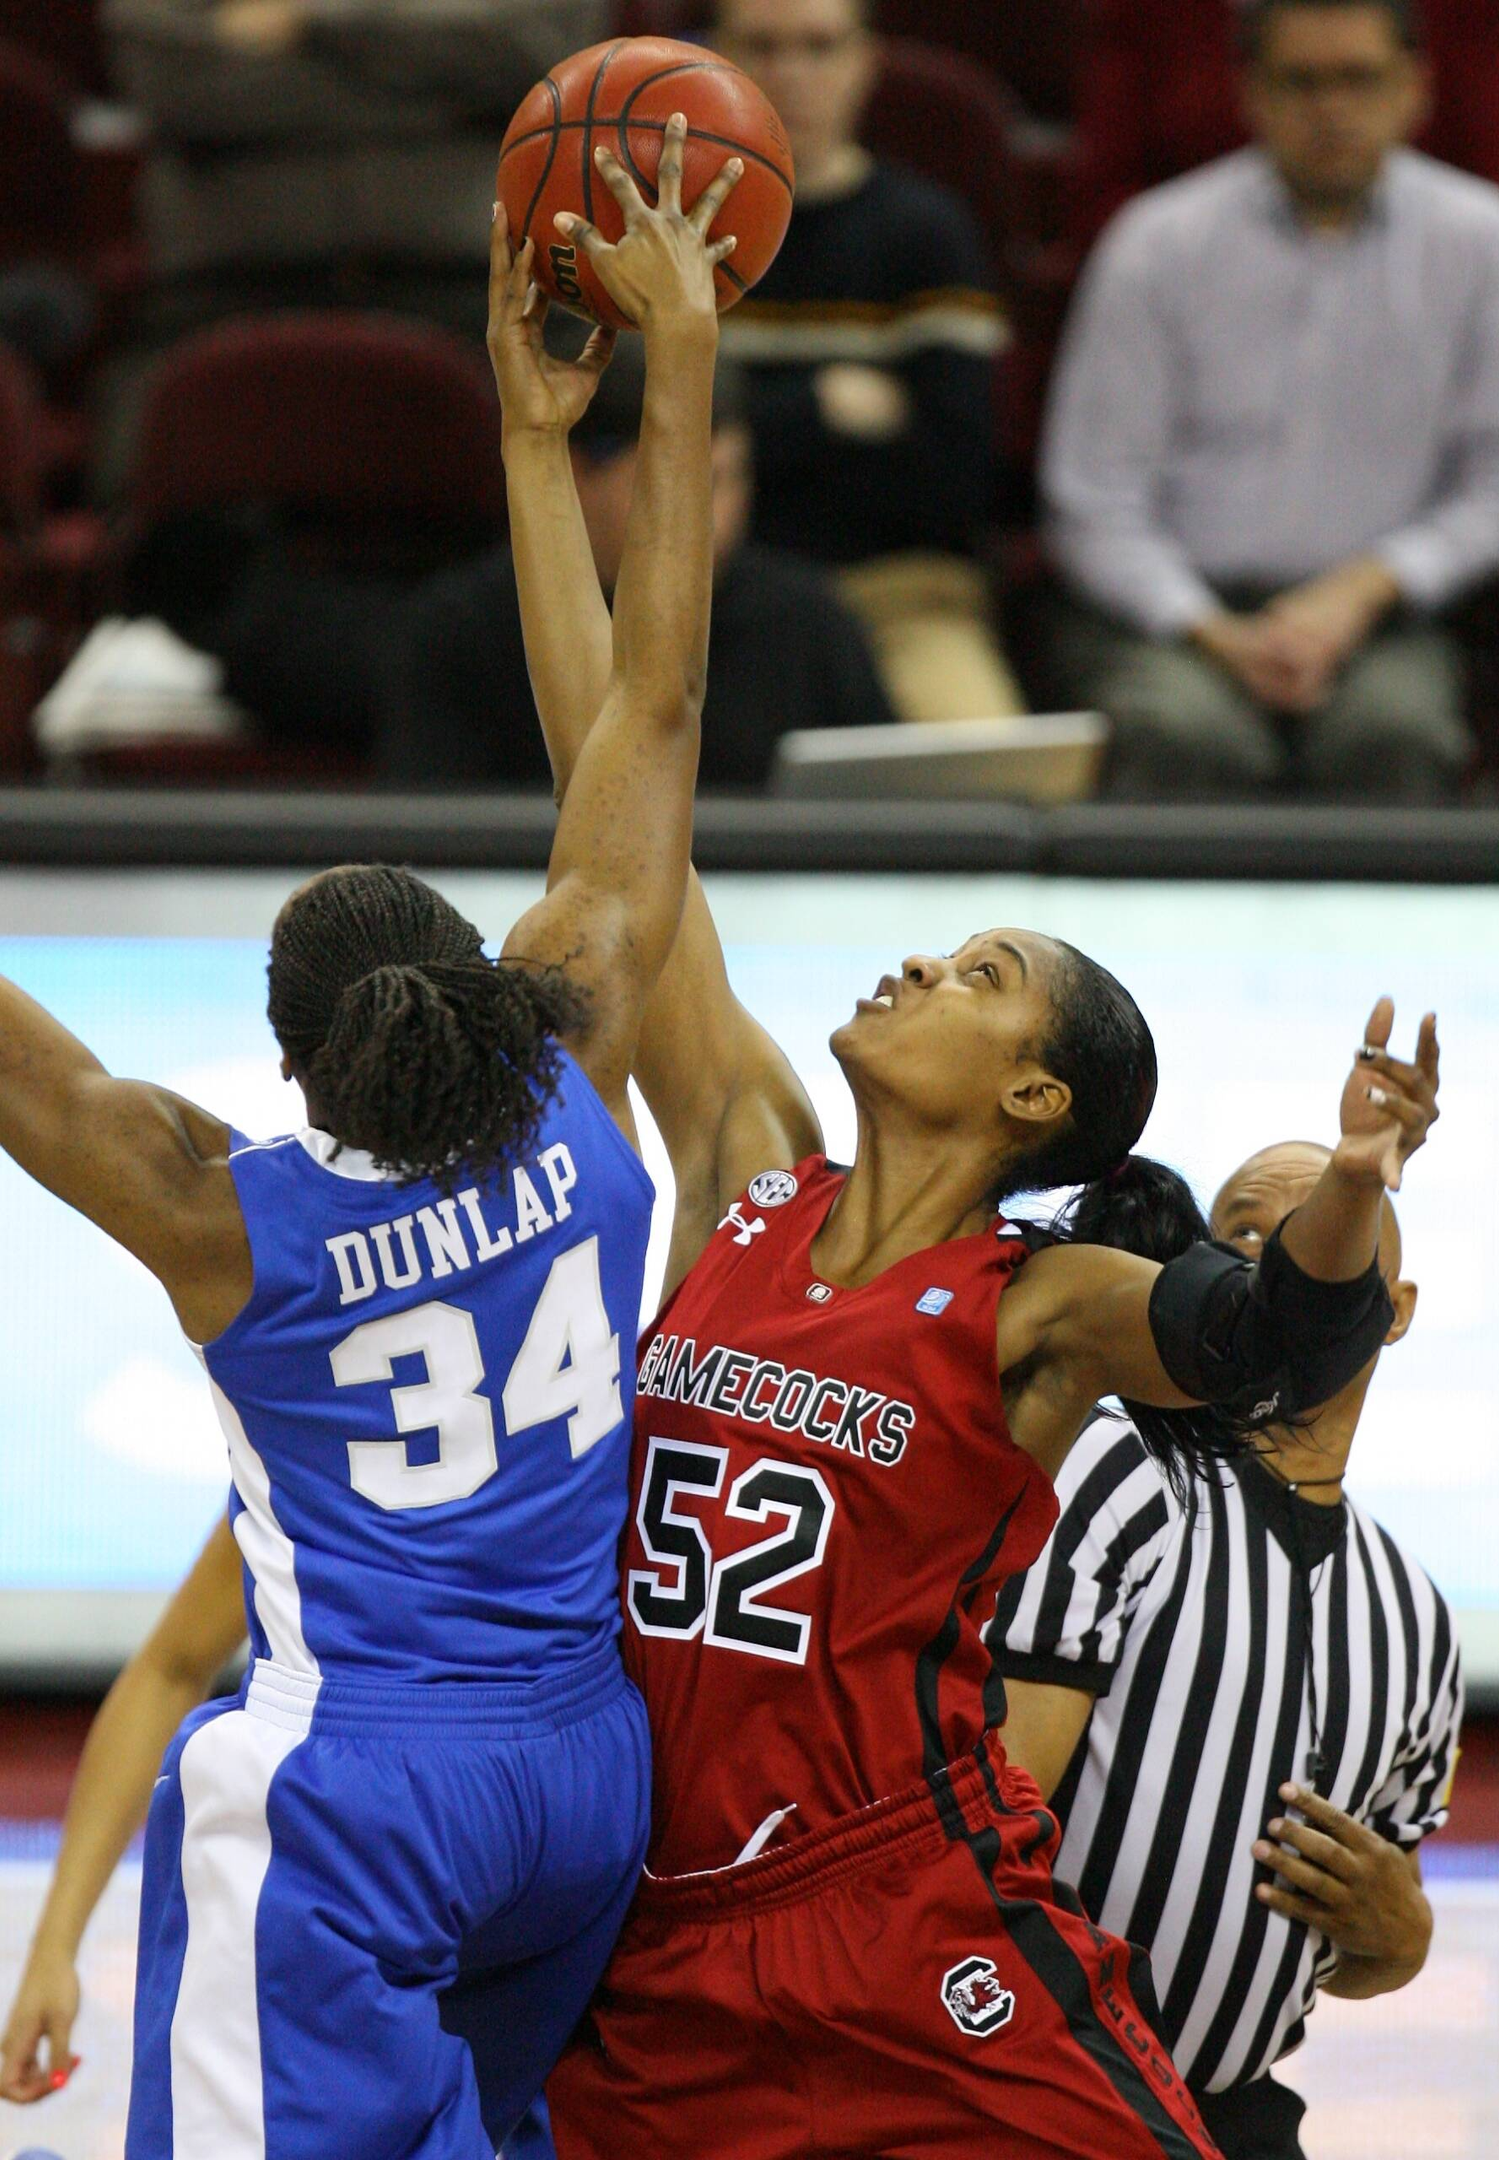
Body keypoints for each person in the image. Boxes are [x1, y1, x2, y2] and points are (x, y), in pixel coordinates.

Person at [486, 187, 1443, 2157]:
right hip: (654, 1927)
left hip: (899, 1924)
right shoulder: (744, 1171)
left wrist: (1347, 1179)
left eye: (977, 975)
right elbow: (622, 787)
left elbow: (1267, 1328)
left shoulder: (1032, 1305)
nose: (920, 962)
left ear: (1030, 1100)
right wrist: (543, 434)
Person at [0, 121, 741, 2160]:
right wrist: (663, 381)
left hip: (362, 1789)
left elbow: (31, 1079)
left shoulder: (230, 1221)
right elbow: (650, 715)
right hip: (586, 1774)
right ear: (495, 988)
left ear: (282, 1067)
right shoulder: (587, 1104)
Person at [994, 1139, 1463, 2160]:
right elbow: (983, 1813)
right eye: (1245, 1236)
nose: (1287, 1267)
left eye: (1327, 1239)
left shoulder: (1417, 1621)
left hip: (1234, 2116)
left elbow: (1352, 1948)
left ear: (1397, 1303)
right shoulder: (1120, 1464)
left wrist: (1401, 1942)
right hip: (1033, 2093)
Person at [1043, 0, 1499, 803]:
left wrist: (1360, 593)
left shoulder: (1479, 244)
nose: (1330, 109)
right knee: (1178, 728)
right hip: (1182, 616)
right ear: (1249, 92)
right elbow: (1092, 497)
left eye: (1358, 79)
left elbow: (1490, 487)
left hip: (1382, 619)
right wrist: (1210, 630)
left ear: (1414, 88)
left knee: (1398, 730)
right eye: (1300, 82)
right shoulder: (1156, 242)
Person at [0, 1520, 555, 2158]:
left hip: (406, 1854)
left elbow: (171, 1669)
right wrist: (54, 1948)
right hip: (545, 1832)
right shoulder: (314, 1464)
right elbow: (170, 1667)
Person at [376, 339, 896, 789]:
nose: (706, 517)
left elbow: (888, 807)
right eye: (677, 485)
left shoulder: (808, 624)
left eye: (726, 481)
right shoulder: (462, 634)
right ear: (576, 474)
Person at [709, 0, 1021, 725]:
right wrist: (818, 408)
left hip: (899, 602)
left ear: (865, 61)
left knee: (994, 776)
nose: (790, 75)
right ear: (716, 60)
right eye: (762, 47)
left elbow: (955, 481)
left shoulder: (927, 235)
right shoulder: (674, 235)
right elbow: (651, 464)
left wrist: (748, 436)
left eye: (818, 47)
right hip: (707, 599)